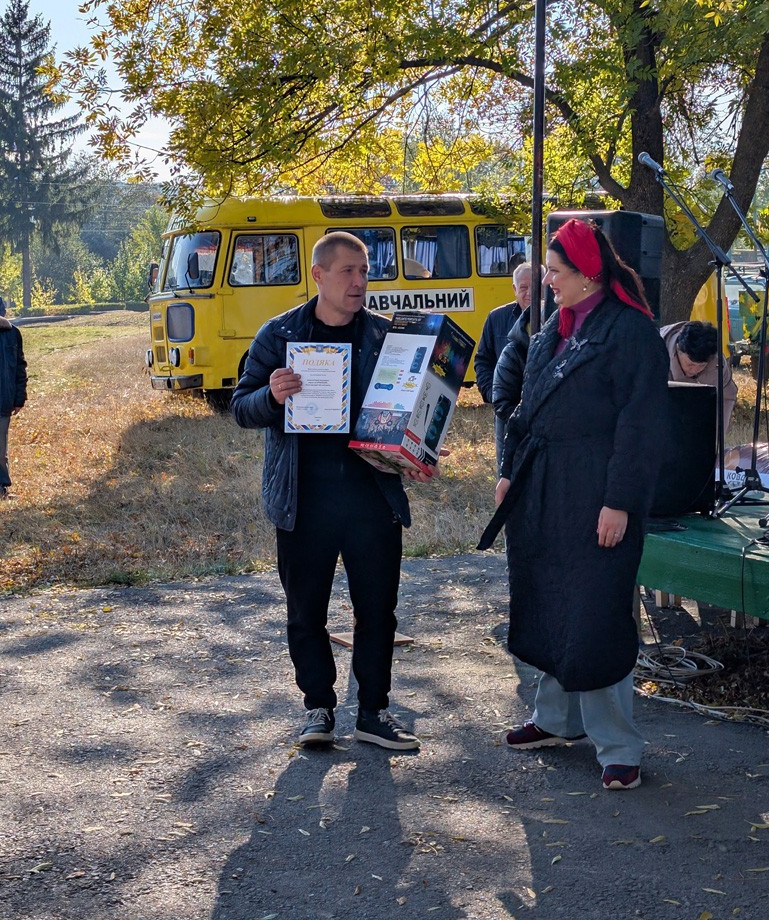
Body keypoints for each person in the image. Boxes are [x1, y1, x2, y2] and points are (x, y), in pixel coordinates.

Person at [478, 218, 669, 790]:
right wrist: (511, 474)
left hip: (596, 492)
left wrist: (620, 502)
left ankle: (618, 745)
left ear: (588, 274)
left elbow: (642, 430)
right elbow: (524, 410)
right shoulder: (550, 331)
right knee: (549, 600)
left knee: (595, 613)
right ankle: (556, 719)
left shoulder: (631, 334)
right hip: (543, 489)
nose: (546, 285)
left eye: (555, 274)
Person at [232, 231, 433, 751]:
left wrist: (417, 448)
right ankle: (318, 708)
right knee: (306, 613)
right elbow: (241, 407)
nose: (359, 282)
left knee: (377, 613)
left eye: (365, 272)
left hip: (371, 498)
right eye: (348, 272)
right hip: (304, 502)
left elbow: (409, 410)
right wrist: (272, 396)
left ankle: (373, 712)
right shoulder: (278, 335)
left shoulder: (389, 338)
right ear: (318, 275)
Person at [474, 263, 534, 469]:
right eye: (524, 287)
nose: (529, 293)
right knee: (506, 470)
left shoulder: (556, 318)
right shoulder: (496, 318)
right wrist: (493, 395)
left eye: (534, 286)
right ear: (514, 289)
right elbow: (483, 360)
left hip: (541, 413)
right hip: (506, 412)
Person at [660, 319, 737, 436]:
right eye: (690, 364)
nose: (694, 370)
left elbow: (726, 396)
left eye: (701, 366)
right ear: (678, 350)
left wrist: (714, 439)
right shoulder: (655, 353)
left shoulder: (717, 363)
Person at [0, 298, 27, 498]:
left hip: (4, 401)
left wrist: (19, 398)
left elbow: (19, 367)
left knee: (1, 449)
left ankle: (1, 488)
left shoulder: (12, 334)